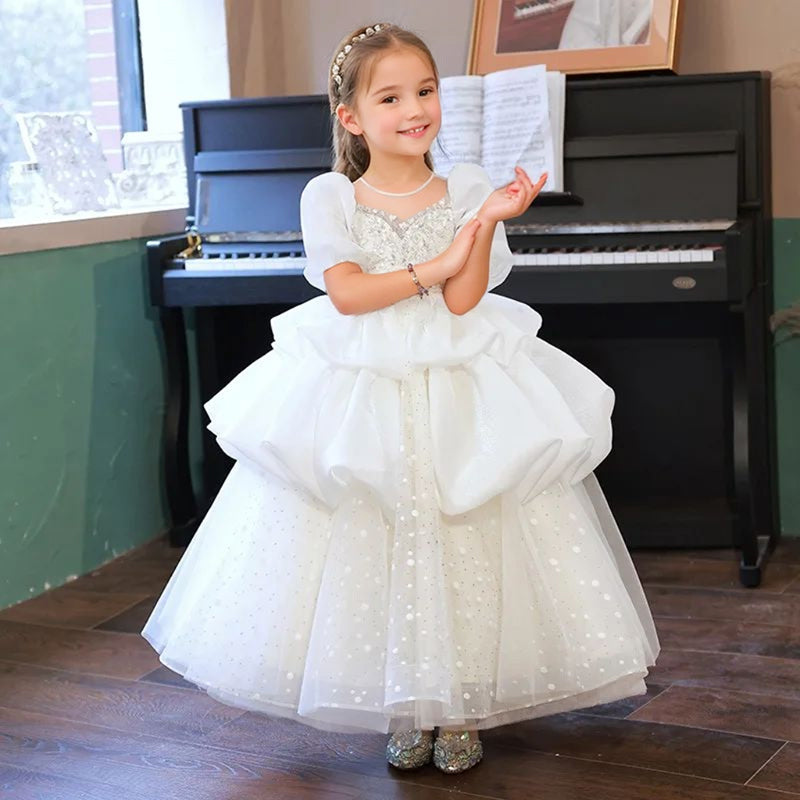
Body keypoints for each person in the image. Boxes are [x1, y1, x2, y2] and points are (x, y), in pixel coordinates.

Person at [141, 22, 660, 775]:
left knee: (464, 526)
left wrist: (480, 226)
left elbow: (463, 301)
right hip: (363, 379)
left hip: (458, 376)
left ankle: (457, 708)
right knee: (374, 533)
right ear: (352, 117)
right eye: (391, 97)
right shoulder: (331, 196)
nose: (415, 109)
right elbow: (348, 294)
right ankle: (401, 704)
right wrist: (437, 259)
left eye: (426, 90)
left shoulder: (470, 186)